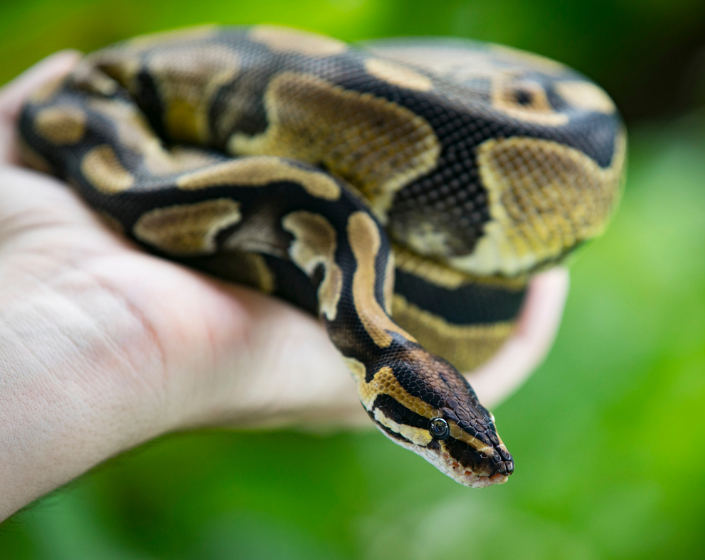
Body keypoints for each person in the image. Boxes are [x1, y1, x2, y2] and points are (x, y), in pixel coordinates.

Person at [0, 52, 568, 520]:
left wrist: (114, 341)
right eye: (441, 430)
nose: (473, 454)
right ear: (377, 387)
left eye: (465, 430)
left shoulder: (363, 284)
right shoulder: (360, 299)